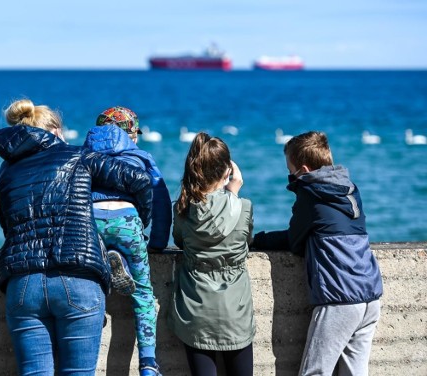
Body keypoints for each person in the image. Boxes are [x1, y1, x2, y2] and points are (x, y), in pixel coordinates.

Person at [0, 99, 153, 375]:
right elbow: (138, 179)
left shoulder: (6, 172)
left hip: (23, 284)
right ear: (55, 131)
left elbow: (7, 226)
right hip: (77, 278)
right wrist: (142, 222)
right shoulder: (77, 156)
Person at [252, 131, 383, 376]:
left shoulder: (311, 195)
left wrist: (257, 240)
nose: (289, 177)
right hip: (370, 295)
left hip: (340, 298)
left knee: (315, 372)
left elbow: (295, 240)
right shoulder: (349, 189)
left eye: (290, 171)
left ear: (302, 169)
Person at [84, 106, 172, 376]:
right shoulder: (142, 157)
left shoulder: (83, 154)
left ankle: (88, 354)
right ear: (131, 134)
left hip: (93, 218)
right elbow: (160, 201)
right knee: (143, 294)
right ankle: (147, 364)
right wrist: (156, 241)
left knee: (92, 285)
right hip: (127, 218)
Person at [168, 132, 255, 376]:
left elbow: (179, 241)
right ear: (228, 170)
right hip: (235, 311)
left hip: (195, 310)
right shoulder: (244, 207)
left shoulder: (183, 208)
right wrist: (233, 193)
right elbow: (247, 239)